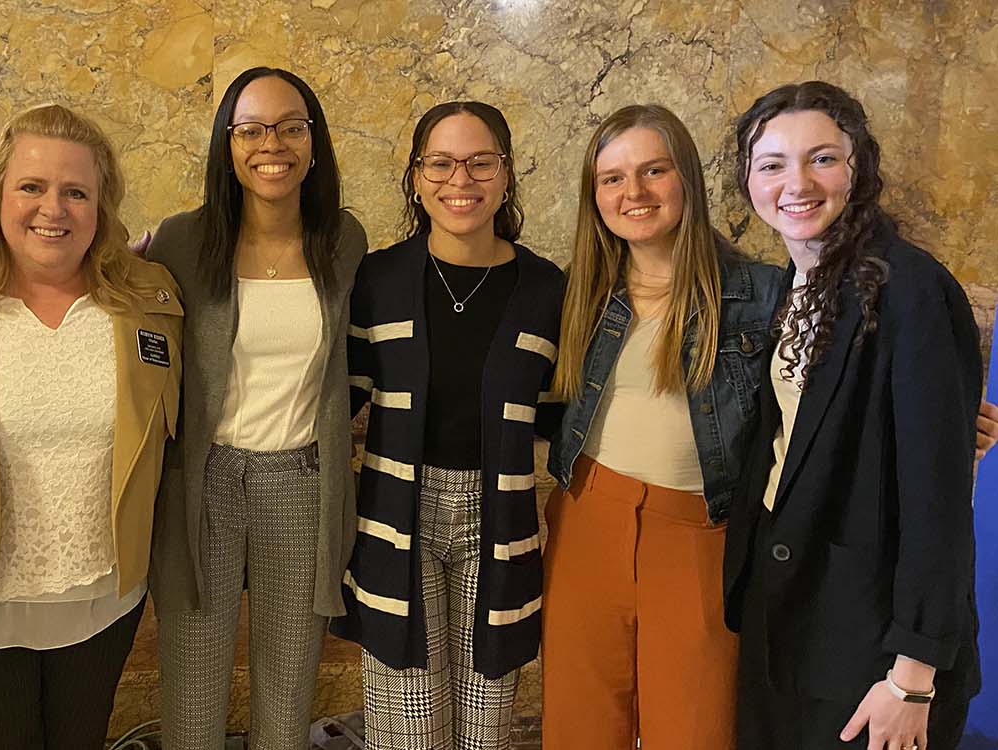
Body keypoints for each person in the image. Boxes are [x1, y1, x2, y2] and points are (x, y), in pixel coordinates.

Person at [0, 104, 183, 750]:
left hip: (103, 607)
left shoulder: (151, 300)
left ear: (101, 205)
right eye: (31, 186)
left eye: (75, 192)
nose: (52, 209)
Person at [725, 80, 981, 750]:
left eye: (823, 158)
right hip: (789, 615)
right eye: (772, 163)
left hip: (870, 644)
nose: (797, 182)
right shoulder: (791, 284)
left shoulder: (911, 288)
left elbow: (938, 505)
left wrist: (912, 678)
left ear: (859, 167)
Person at [541, 104, 785, 749]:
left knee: (697, 730)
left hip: (704, 535)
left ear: (688, 180)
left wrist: (949, 421)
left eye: (654, 170)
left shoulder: (765, 295)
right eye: (613, 178)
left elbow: (833, 405)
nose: (635, 193)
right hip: (584, 522)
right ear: (594, 197)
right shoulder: (579, 294)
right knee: (581, 728)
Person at [329, 101, 563, 750]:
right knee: (409, 729)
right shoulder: (377, 279)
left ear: (507, 174)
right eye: (440, 162)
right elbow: (333, 399)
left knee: (485, 729)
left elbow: (570, 419)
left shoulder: (547, 290)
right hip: (395, 518)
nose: (460, 180)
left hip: (502, 521)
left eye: (480, 162)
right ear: (415, 176)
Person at [146, 67, 367, 749]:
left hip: (301, 481)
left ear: (313, 139)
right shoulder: (182, 240)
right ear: (228, 143)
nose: (272, 144)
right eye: (252, 129)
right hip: (200, 481)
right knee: (192, 686)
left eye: (291, 126)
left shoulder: (343, 240)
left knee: (288, 684)